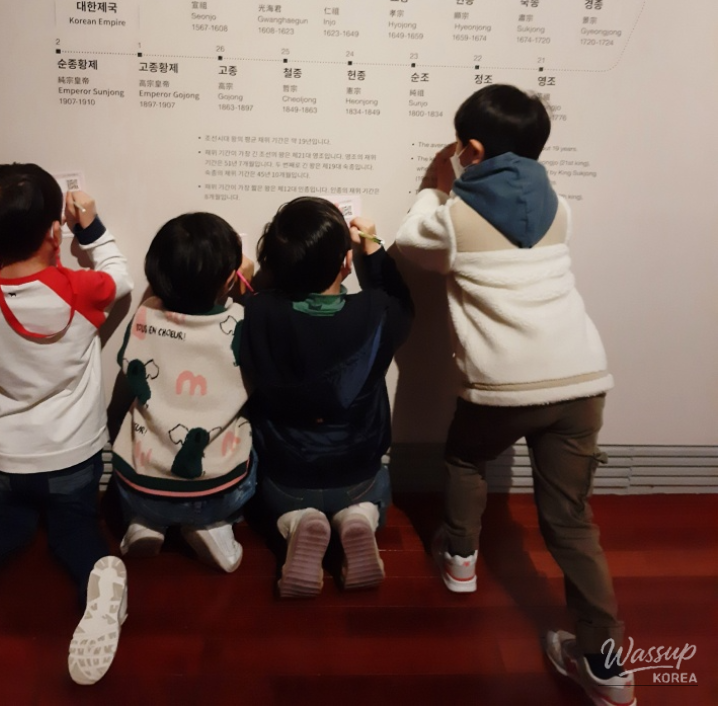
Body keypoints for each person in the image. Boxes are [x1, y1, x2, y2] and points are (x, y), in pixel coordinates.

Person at [394, 84, 635, 706]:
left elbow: (406, 246)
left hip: (504, 387)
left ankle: (462, 561)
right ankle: (607, 666)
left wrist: (433, 182)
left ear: (469, 149)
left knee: (467, 459)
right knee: (572, 523)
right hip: (582, 381)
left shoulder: (449, 220)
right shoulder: (561, 208)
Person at [0, 164, 133, 686]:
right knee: (72, 529)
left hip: (5, 460)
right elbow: (122, 277)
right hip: (71, 457)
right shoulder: (82, 290)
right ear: (53, 230)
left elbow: (1, 272)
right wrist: (88, 226)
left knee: (5, 528)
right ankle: (98, 585)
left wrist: (28, 239)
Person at [240, 197, 413, 598]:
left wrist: (248, 279)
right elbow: (403, 302)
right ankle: (360, 518)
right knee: (371, 495)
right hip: (359, 472)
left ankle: (298, 522)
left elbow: (246, 306)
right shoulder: (377, 311)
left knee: (278, 501)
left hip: (288, 476)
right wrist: (370, 243)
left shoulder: (257, 314)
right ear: (345, 263)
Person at [111, 213, 256, 575]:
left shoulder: (146, 315)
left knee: (141, 475)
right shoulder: (240, 321)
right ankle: (211, 527)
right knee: (254, 448)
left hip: (139, 487)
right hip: (216, 492)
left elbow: (125, 362)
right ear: (229, 280)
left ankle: (144, 522)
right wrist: (246, 289)